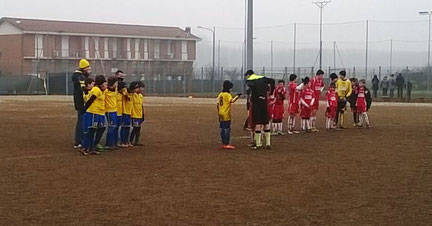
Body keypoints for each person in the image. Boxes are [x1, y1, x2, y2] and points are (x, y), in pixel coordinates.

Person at [245, 70, 272, 150]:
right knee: (266, 123)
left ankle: (258, 144)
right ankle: (268, 143)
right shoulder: (264, 86)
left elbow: (250, 98)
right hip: (264, 105)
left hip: (256, 106)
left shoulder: (252, 85)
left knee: (257, 124)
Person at [82, 75, 107, 155]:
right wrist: (85, 109)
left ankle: (93, 146)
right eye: (104, 83)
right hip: (94, 112)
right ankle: (87, 148)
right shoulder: (96, 89)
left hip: (100, 113)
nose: (105, 85)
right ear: (100, 84)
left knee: (101, 128)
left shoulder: (101, 90)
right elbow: (90, 100)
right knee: (91, 130)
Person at [72, 59, 91, 149]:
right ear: (83, 68)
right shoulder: (79, 77)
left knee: (83, 120)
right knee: (81, 121)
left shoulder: (80, 76)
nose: (89, 70)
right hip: (81, 102)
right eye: (88, 68)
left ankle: (82, 139)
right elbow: (83, 89)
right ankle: (78, 141)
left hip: (81, 101)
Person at [217, 80, 241, 150]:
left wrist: (218, 113)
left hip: (220, 113)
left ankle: (223, 142)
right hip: (226, 113)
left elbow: (217, 104)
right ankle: (226, 143)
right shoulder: (227, 95)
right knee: (227, 128)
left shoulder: (220, 94)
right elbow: (232, 101)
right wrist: (237, 96)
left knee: (222, 128)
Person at [104, 76, 118, 150]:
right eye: (116, 83)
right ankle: (108, 144)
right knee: (111, 126)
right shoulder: (106, 91)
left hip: (114, 110)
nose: (117, 84)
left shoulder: (115, 90)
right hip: (109, 111)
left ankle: (113, 143)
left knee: (114, 126)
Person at [130, 81, 146, 146]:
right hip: (134, 115)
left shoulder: (141, 96)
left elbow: (141, 105)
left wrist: (143, 114)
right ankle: (130, 141)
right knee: (135, 128)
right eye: (142, 88)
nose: (143, 89)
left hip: (139, 115)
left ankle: (137, 141)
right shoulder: (133, 95)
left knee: (138, 128)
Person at [119, 82, 134, 148]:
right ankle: (122, 142)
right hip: (125, 112)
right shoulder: (125, 93)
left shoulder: (132, 94)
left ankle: (126, 141)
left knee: (128, 127)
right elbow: (126, 97)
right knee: (124, 127)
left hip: (129, 113)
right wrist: (124, 91)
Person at [115, 70, 127, 147]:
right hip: (115, 109)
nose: (121, 78)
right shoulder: (114, 86)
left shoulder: (123, 87)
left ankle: (118, 140)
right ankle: (114, 141)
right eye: (120, 76)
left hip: (121, 109)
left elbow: (126, 94)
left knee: (119, 125)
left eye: (122, 76)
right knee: (115, 126)